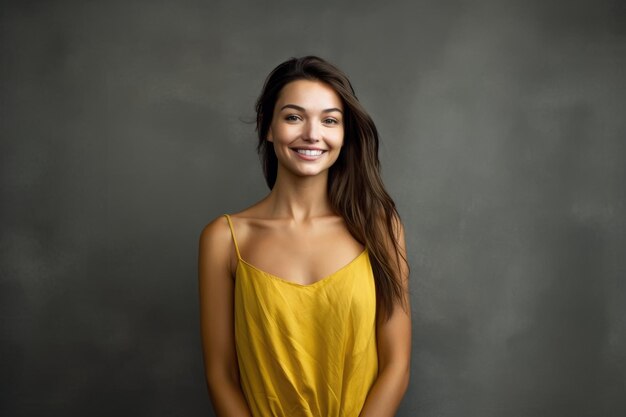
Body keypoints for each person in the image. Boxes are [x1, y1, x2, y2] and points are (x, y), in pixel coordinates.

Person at [198, 56, 411, 417]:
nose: (312, 134)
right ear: (268, 127)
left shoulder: (379, 226)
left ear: (344, 135)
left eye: (330, 120)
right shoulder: (225, 238)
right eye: (294, 117)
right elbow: (222, 375)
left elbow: (397, 364)